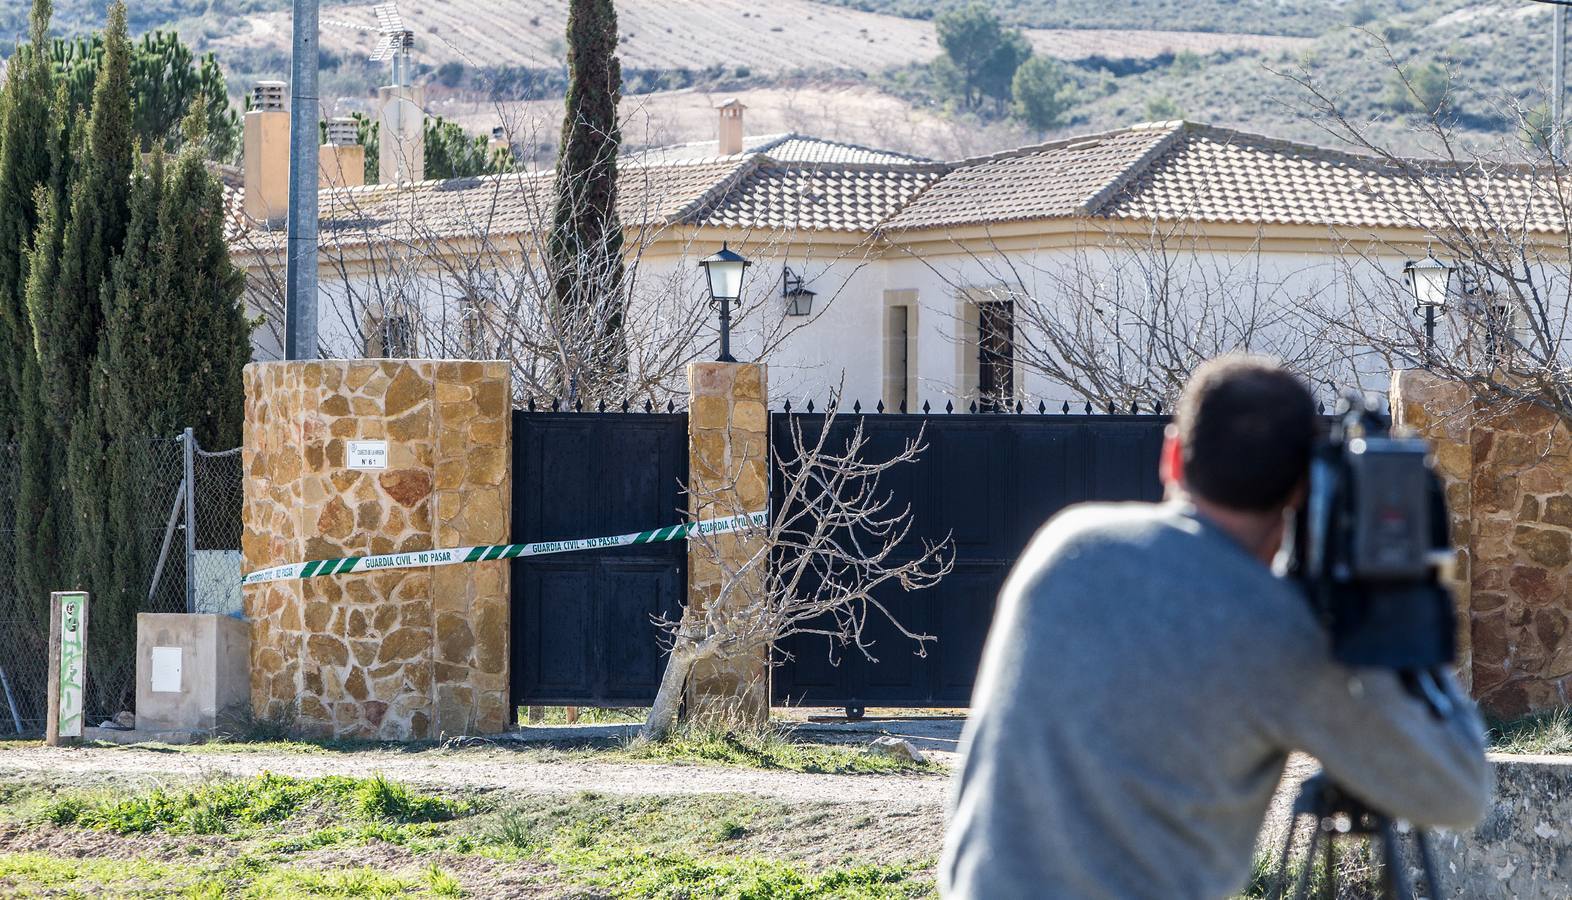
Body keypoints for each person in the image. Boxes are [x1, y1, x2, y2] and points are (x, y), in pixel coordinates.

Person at [940, 355, 1490, 899]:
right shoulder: (1283, 636)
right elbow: (1458, 791)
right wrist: (1402, 605)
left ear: (1173, 454)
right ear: (1299, 491)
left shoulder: (1064, 544)